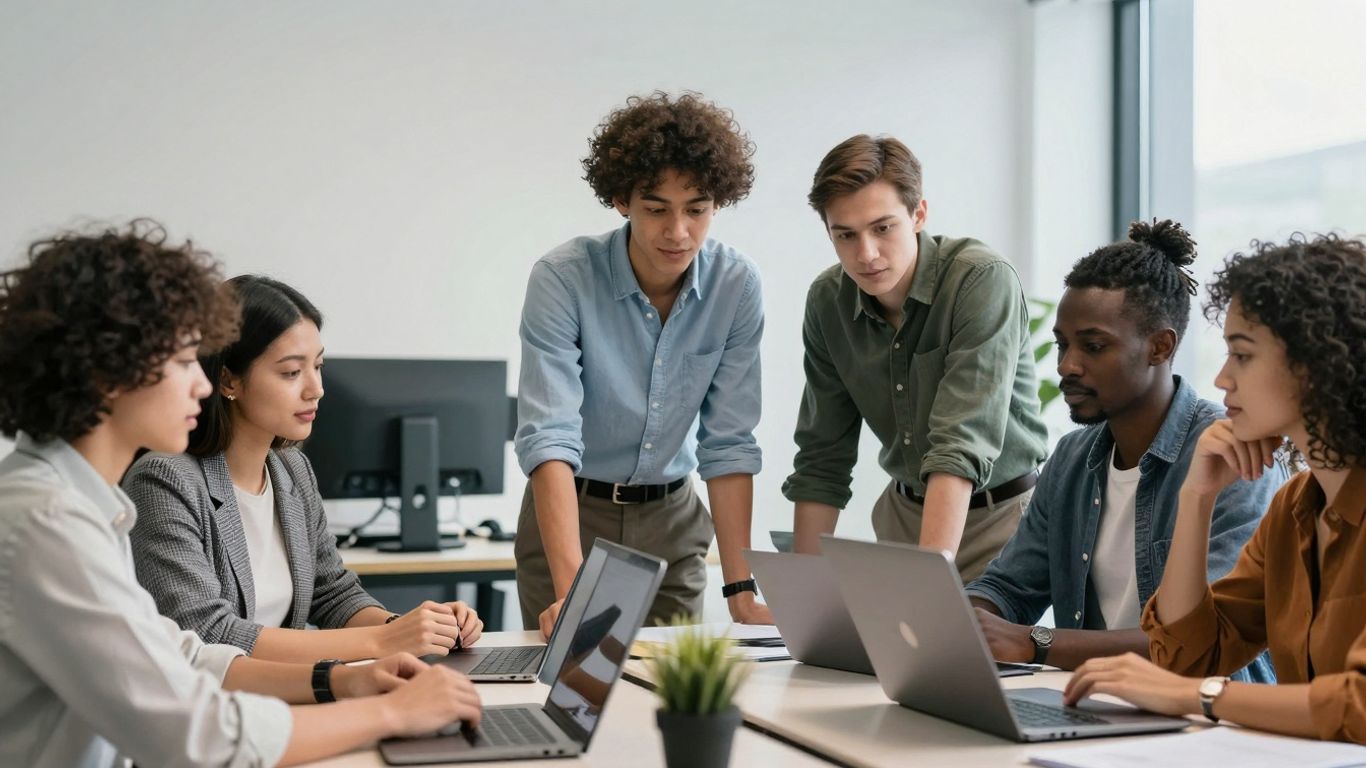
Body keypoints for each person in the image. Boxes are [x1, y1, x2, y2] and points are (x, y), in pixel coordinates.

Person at [0, 222, 481, 767]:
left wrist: (347, 683)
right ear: (112, 371)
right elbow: (196, 735)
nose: (202, 385)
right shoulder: (46, 522)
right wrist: (390, 711)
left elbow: (186, 655)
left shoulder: (82, 505)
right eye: (184, 362)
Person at [1065, 233, 1366, 744]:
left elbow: (1358, 705)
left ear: (1317, 366)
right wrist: (1196, 497)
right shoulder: (1294, 507)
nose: (1222, 379)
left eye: (1242, 356)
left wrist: (1198, 697)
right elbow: (1190, 655)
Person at [965, 220, 1282, 680]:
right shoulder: (1073, 458)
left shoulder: (1232, 457)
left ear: (1160, 346)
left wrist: (1034, 642)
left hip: (1204, 717)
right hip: (1102, 702)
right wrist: (964, 623)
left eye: (1093, 346)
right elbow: (1010, 587)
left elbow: (1203, 642)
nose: (1067, 365)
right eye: (1062, 344)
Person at [514, 91, 771, 638]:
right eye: (656, 209)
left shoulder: (736, 285)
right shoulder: (563, 278)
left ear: (717, 203)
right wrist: (570, 588)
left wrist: (742, 590)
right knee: (569, 695)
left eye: (696, 209)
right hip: (573, 515)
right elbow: (549, 435)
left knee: (672, 699)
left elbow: (728, 442)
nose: (678, 232)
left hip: (674, 523)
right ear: (621, 200)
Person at [123, 275, 483, 663]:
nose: (316, 388)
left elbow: (333, 594)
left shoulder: (291, 469)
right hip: (219, 709)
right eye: (292, 372)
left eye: (318, 366)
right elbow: (207, 633)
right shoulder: (165, 480)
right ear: (228, 379)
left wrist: (421, 628)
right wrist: (386, 641)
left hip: (292, 695)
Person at [785, 134, 1048, 581]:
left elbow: (959, 445)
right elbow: (821, 456)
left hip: (1003, 521)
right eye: (844, 235)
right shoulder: (828, 301)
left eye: (882, 228)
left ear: (918, 214)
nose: (865, 254)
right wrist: (803, 591)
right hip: (902, 518)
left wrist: (928, 584)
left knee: (965, 649)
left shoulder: (980, 280)